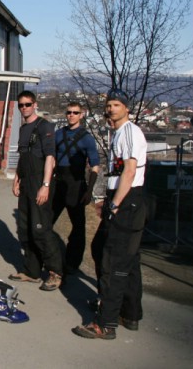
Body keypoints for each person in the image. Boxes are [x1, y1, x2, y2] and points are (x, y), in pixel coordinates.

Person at [73, 89, 148, 340]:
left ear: (126, 108)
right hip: (124, 199)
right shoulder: (118, 133)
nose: (111, 109)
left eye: (116, 104)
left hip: (128, 201)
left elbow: (129, 171)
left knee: (112, 261)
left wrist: (114, 205)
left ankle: (105, 323)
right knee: (126, 259)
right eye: (109, 105)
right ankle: (130, 313)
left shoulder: (130, 132)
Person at [9, 91, 64, 291]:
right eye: (21, 105)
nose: (24, 108)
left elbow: (50, 157)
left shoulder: (44, 126)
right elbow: (23, 157)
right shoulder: (24, 129)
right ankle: (32, 271)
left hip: (40, 182)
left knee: (40, 229)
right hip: (26, 183)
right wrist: (16, 180)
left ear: (35, 104)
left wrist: (46, 185)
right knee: (25, 229)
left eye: (27, 104)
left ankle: (55, 273)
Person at [52, 101, 100, 275]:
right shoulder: (58, 134)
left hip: (77, 184)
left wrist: (89, 191)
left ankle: (72, 263)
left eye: (75, 112)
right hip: (59, 183)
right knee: (46, 222)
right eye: (69, 112)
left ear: (82, 114)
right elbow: (50, 158)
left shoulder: (87, 138)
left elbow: (95, 166)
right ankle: (51, 259)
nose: (71, 115)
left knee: (78, 227)